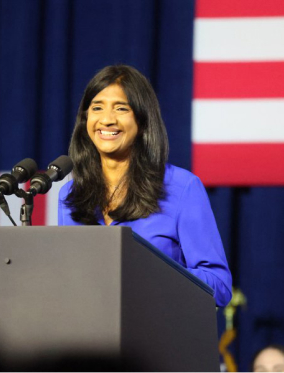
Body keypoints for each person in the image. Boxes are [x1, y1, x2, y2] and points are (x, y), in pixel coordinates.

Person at [58, 64, 232, 307]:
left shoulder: (182, 188)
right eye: (97, 108)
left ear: (141, 120)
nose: (106, 120)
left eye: (121, 108)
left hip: (158, 335)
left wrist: (152, 274)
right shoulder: (71, 194)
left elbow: (219, 285)